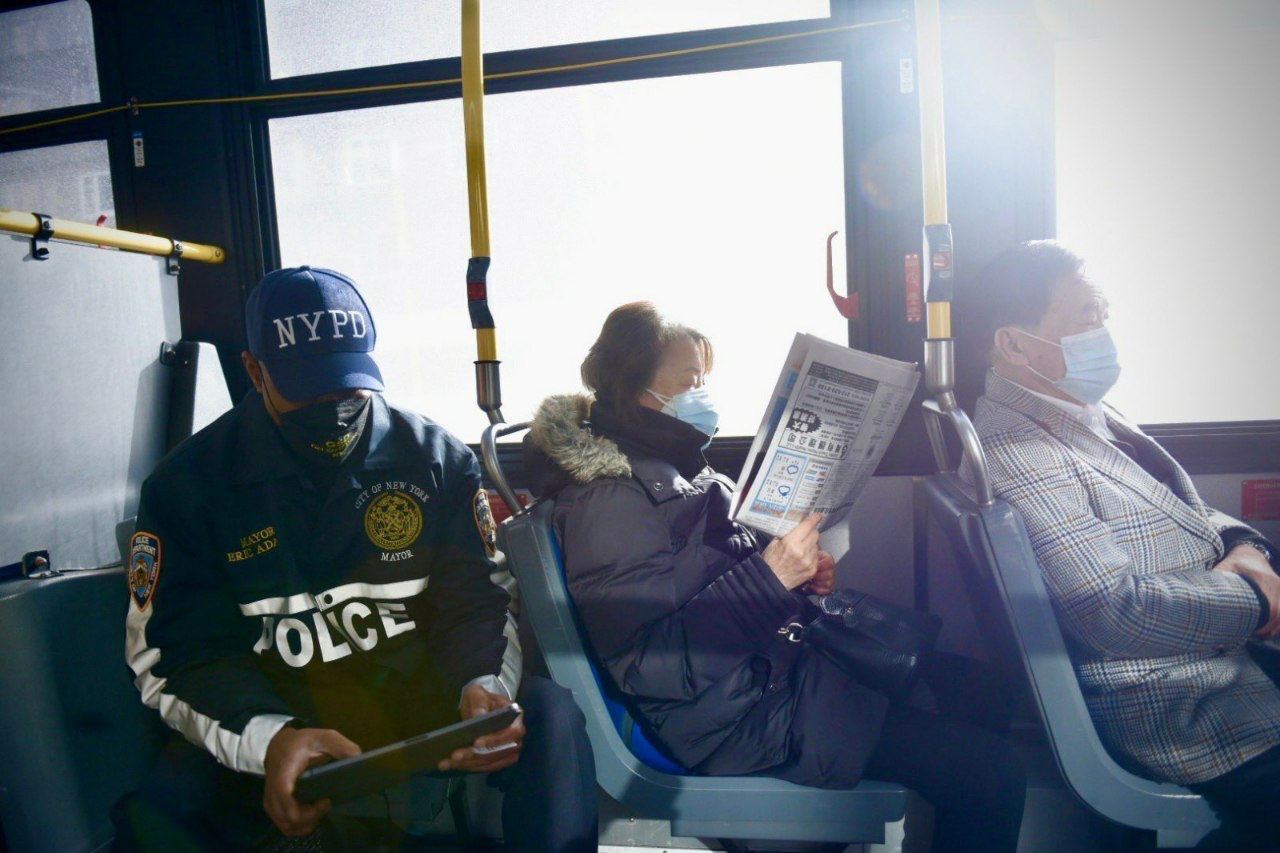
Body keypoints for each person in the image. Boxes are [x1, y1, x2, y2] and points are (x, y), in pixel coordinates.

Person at [115, 266, 596, 851]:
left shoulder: (436, 460)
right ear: (255, 372)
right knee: (164, 805)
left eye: (347, 385)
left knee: (550, 715)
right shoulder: (188, 487)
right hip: (284, 715)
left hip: (424, 705)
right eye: (309, 388)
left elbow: (477, 598)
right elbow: (176, 654)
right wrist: (270, 738)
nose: (333, 405)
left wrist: (481, 686)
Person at [522, 302, 1026, 852]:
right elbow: (649, 667)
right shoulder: (611, 501)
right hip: (736, 718)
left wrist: (798, 578)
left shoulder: (678, 468)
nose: (702, 394)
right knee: (992, 773)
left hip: (771, 676)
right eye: (689, 381)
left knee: (984, 691)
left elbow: (711, 581)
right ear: (635, 387)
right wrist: (769, 579)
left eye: (704, 379)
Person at [964, 240, 1280, 834]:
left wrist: (1245, 547)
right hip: (1181, 700)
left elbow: (1179, 509)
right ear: (1014, 344)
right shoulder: (1021, 452)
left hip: (1216, 658)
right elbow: (1113, 611)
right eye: (1087, 317)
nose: (1103, 332)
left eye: (1103, 315)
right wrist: (1260, 602)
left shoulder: (1075, 407)